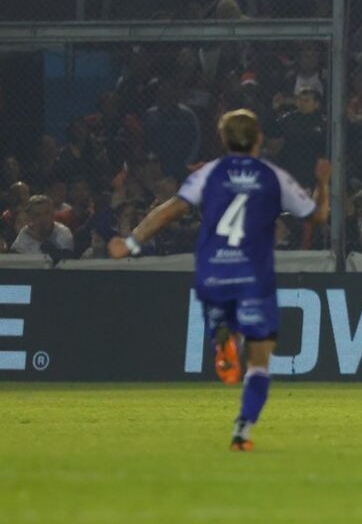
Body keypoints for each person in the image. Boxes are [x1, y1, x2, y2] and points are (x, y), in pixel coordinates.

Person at [107, 110, 331, 450]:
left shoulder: (208, 174)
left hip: (214, 272)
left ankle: (221, 338)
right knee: (259, 360)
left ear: (222, 139)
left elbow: (169, 211)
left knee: (224, 325)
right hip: (254, 276)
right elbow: (317, 215)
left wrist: (131, 243)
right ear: (259, 139)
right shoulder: (273, 177)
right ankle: (242, 430)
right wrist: (323, 183)